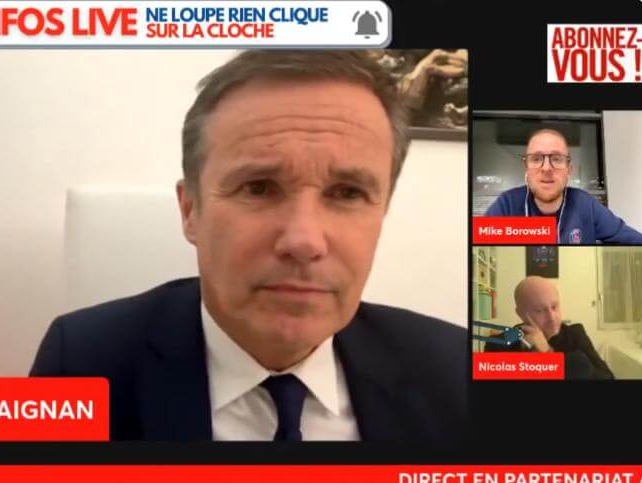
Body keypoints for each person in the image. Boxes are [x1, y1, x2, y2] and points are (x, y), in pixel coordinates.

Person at [30, 51, 468, 442]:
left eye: (347, 193)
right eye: (258, 187)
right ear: (190, 211)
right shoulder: (81, 361)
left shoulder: (454, 370)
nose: (304, 241)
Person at [484, 128, 642, 244]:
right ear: (526, 168)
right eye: (536, 159)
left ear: (569, 170)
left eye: (556, 159)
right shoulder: (507, 205)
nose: (546, 168)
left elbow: (640, 243)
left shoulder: (586, 205)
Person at [484, 276, 614, 380]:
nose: (552, 317)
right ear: (521, 314)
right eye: (540, 310)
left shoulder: (576, 334)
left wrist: (548, 354)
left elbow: (607, 377)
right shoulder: (498, 344)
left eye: (554, 306)